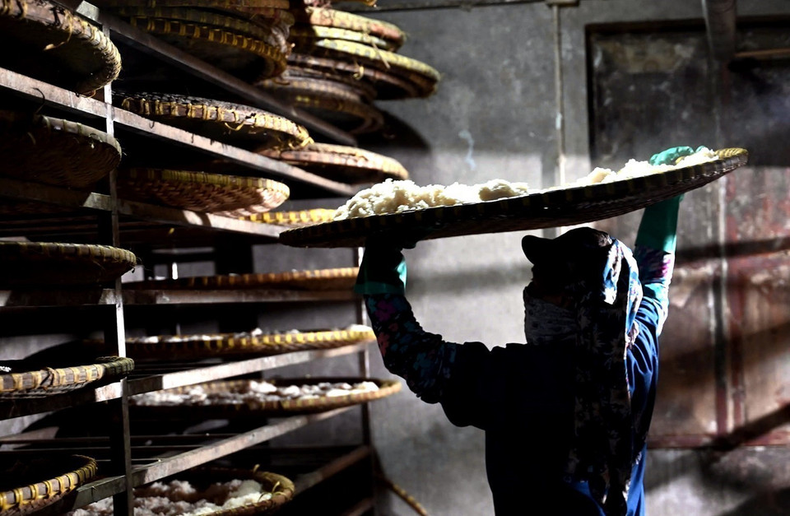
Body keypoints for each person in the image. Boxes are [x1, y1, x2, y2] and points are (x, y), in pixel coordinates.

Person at [354, 147, 696, 516]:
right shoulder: (634, 350)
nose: (529, 295)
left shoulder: (520, 380)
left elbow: (411, 354)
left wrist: (381, 270)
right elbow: (651, 284)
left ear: (575, 303)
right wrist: (666, 200)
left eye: (540, 285)